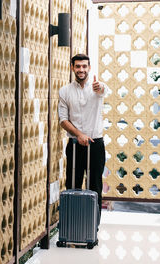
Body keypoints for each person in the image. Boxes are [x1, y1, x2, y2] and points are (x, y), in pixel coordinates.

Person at [58, 53, 108, 220]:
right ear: (72, 68)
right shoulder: (65, 91)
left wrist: (99, 87)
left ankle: (93, 226)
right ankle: (73, 224)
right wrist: (79, 135)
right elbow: (63, 120)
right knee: (73, 184)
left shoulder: (97, 88)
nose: (81, 70)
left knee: (94, 185)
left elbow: (102, 90)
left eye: (84, 66)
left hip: (96, 144)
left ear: (89, 68)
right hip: (74, 144)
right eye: (78, 66)